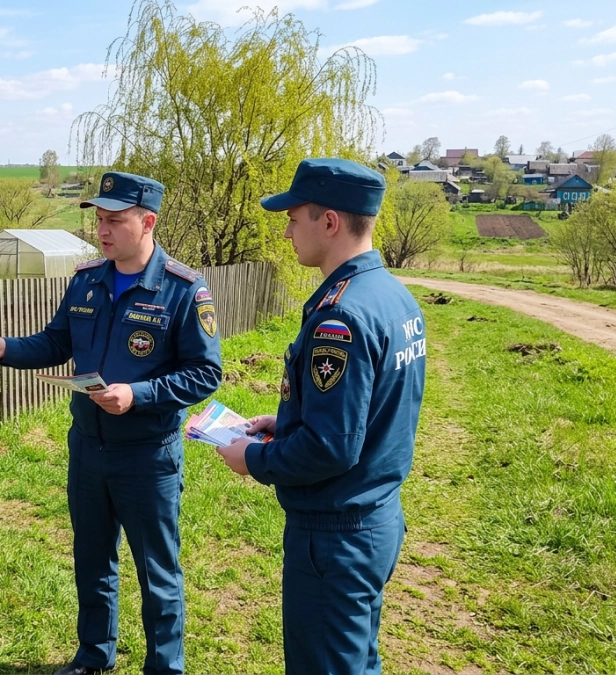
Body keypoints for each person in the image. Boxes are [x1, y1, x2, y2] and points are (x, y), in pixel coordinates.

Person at [0, 172, 222, 675]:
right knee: (91, 559)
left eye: (115, 221)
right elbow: (56, 342)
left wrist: (138, 394)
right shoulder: (87, 278)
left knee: (157, 571)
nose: (102, 231)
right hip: (87, 447)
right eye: (99, 220)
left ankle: (165, 666)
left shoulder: (183, 289)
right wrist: (7, 348)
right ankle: (94, 654)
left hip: (147, 455)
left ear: (147, 222)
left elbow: (205, 373)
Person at [214, 158, 426, 675]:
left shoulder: (342, 316)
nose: (286, 231)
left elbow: (332, 446)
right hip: (375, 517)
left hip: (336, 535)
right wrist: (284, 423)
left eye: (293, 217)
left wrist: (254, 461)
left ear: (329, 222)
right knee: (355, 659)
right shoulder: (393, 296)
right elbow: (364, 412)